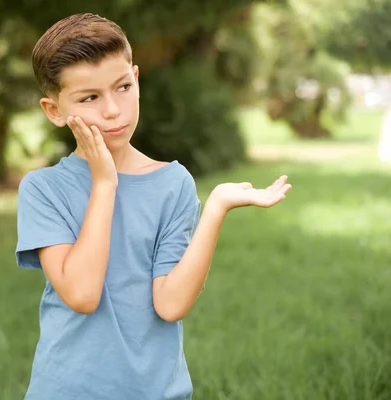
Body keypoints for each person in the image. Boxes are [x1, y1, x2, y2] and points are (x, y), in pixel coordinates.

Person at [15, 13, 292, 400]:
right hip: (66, 390)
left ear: (137, 79)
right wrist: (105, 183)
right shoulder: (43, 189)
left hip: (156, 391)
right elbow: (82, 293)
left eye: (123, 87)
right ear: (54, 110)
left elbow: (171, 303)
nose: (113, 109)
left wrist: (215, 208)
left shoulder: (173, 184)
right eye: (90, 97)